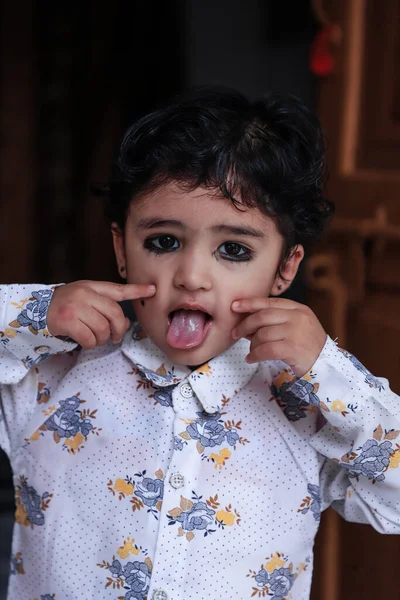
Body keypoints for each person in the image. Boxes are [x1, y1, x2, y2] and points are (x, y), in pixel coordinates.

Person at [1, 88, 399, 600]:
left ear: (285, 269)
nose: (191, 276)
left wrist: (327, 369)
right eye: (163, 242)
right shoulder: (49, 377)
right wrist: (35, 313)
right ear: (122, 248)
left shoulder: (309, 401)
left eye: (233, 250)